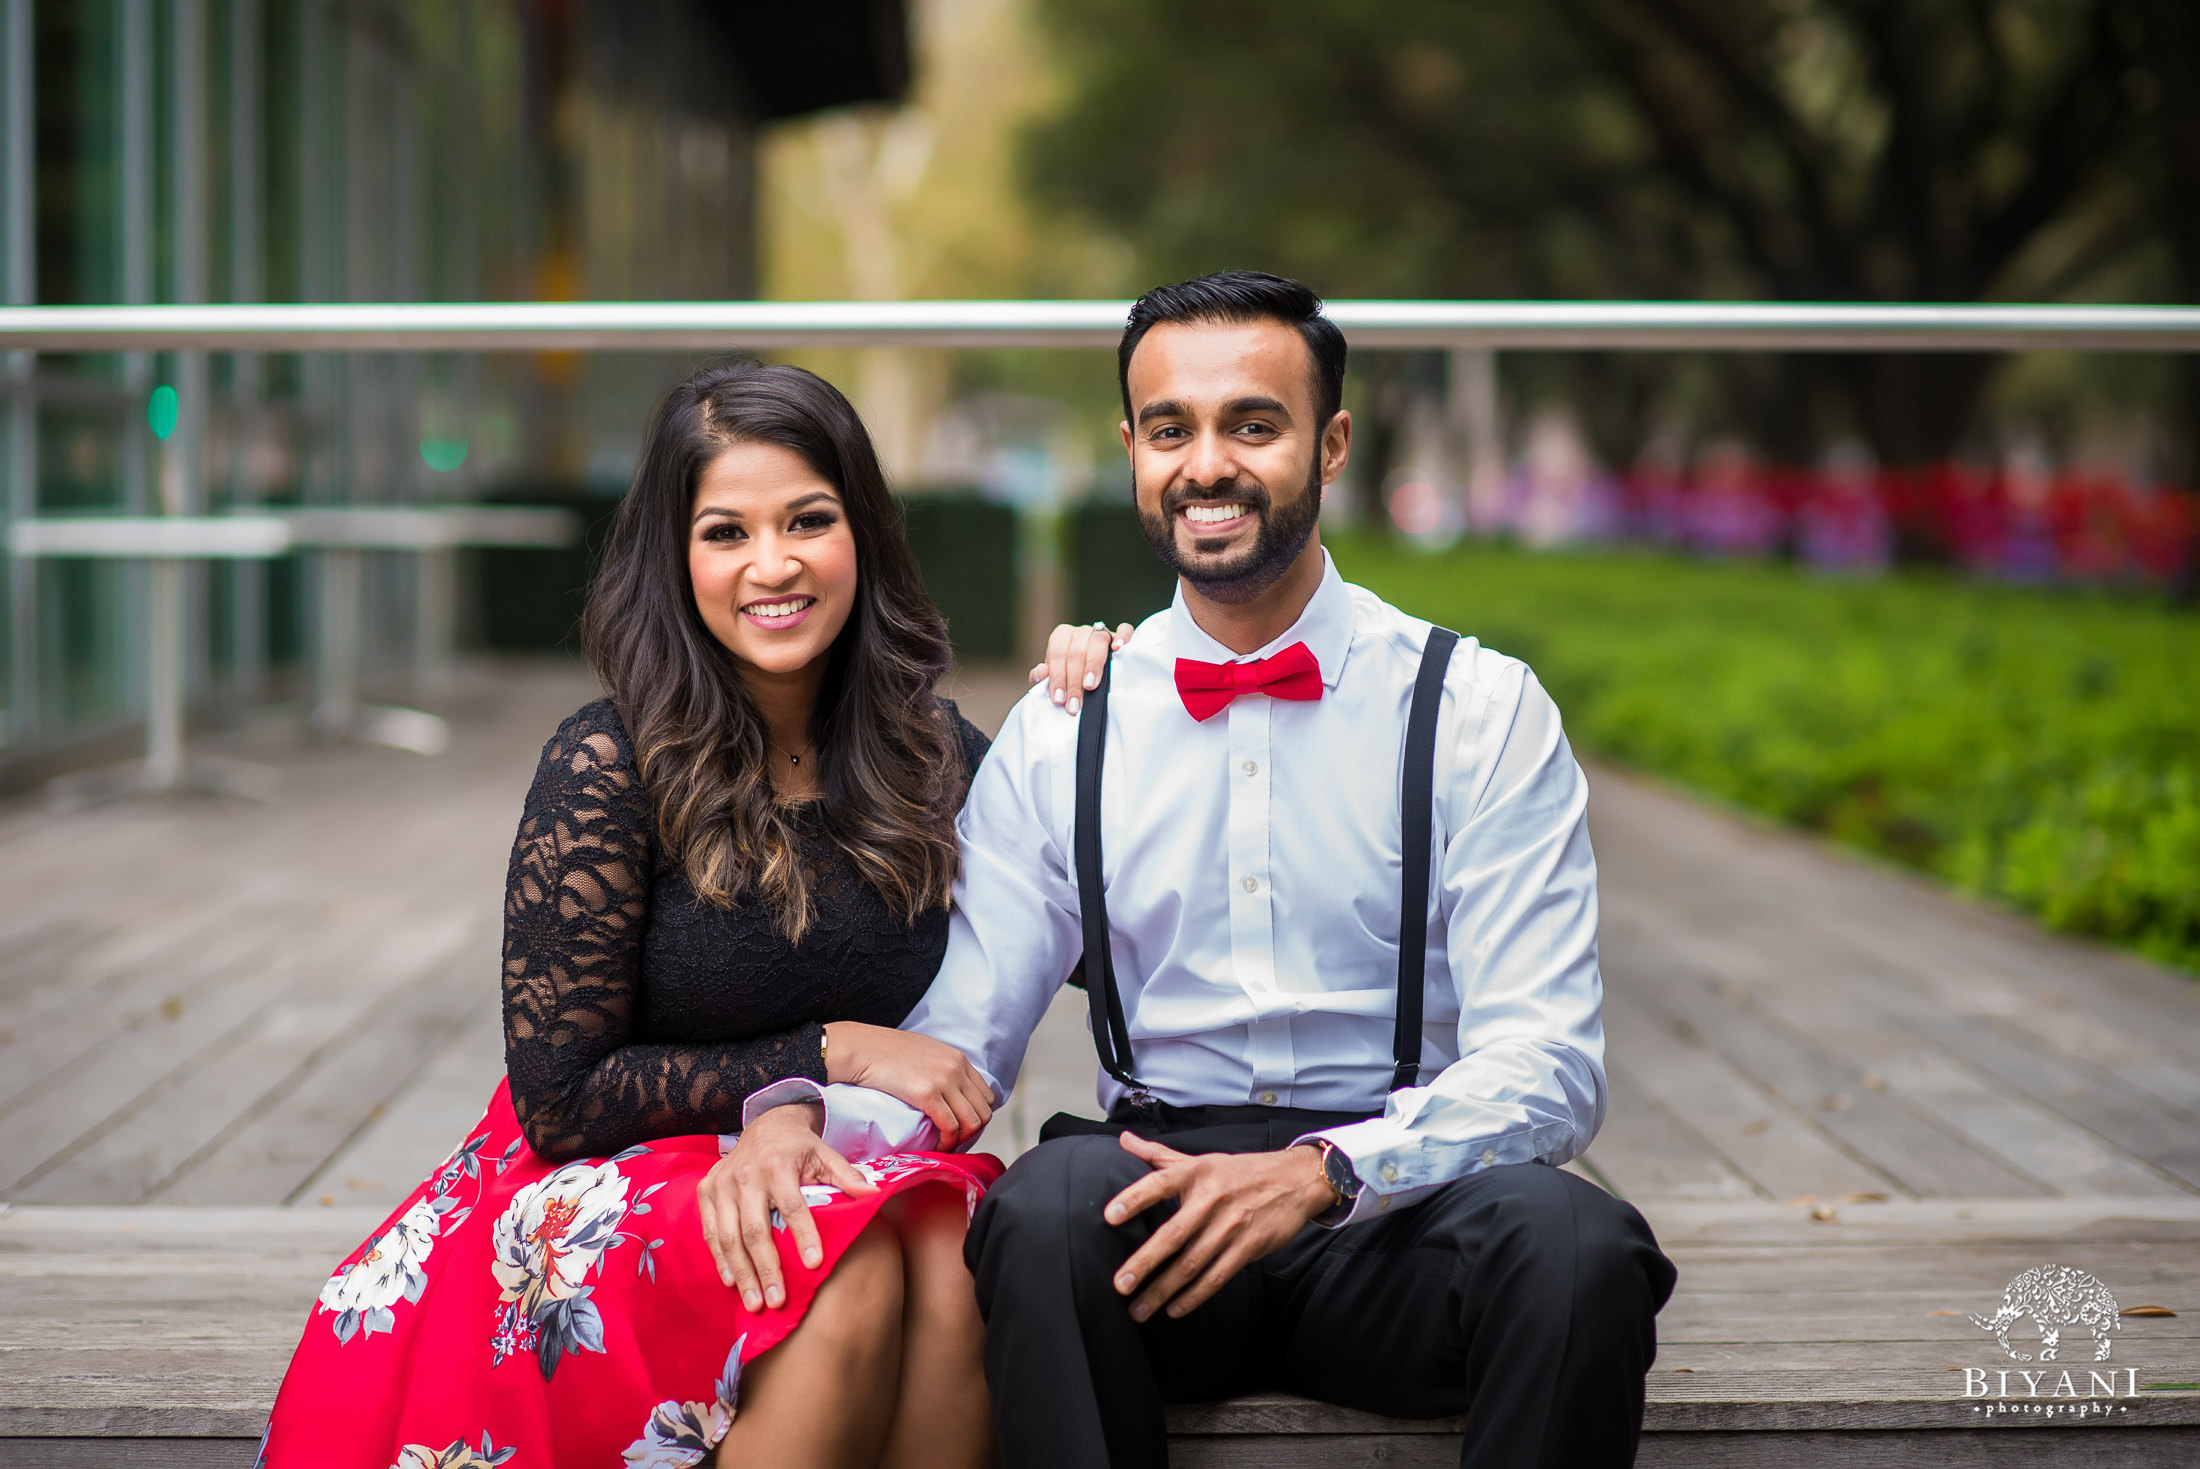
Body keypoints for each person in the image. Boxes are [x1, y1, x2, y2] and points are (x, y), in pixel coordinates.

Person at [731, 272, 1679, 1469]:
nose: (1207, 463)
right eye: (1170, 428)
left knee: (1581, 1248)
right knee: (1041, 1214)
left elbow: (1546, 1062)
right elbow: (964, 1035)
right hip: (1156, 1216)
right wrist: (796, 1115)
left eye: (1253, 424)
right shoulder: (1066, 727)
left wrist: (1326, 1171)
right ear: (1130, 448)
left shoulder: (1478, 710)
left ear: (1329, 444)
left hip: (1402, 1203)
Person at [258, 361, 1122, 1469]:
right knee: (836, 1261)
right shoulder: (607, 762)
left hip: (852, 1165)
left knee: (957, 1260)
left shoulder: (932, 750)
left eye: (809, 519)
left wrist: (1122, 716)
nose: (773, 565)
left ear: (862, 530)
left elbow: (1098, 938)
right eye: (726, 532)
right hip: (613, 1169)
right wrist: (827, 1054)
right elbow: (561, 1097)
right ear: (676, 559)